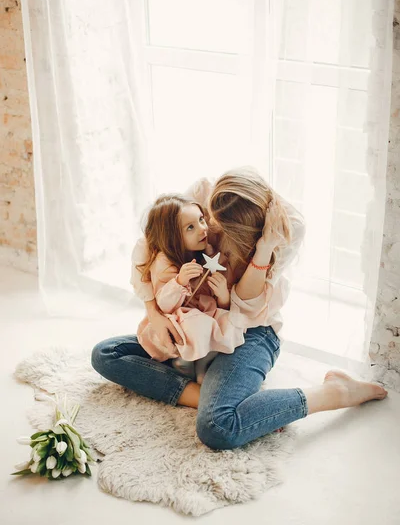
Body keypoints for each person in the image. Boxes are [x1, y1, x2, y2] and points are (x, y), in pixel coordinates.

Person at [91, 167, 388, 451]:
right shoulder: (202, 193)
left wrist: (263, 248)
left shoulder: (287, 231)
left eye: (221, 230)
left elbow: (246, 307)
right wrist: (155, 315)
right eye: (207, 221)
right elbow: (154, 243)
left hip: (249, 332)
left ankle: (335, 392)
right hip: (196, 326)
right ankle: (214, 397)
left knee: (217, 427)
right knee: (105, 354)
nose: (209, 232)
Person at [134, 193, 247, 383]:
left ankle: (204, 362)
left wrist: (223, 296)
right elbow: (164, 305)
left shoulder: (209, 254)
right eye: (190, 227)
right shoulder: (164, 262)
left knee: (233, 322)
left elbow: (219, 302)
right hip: (179, 317)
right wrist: (179, 282)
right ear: (172, 237)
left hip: (206, 311)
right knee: (197, 325)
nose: (203, 229)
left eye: (201, 220)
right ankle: (184, 361)